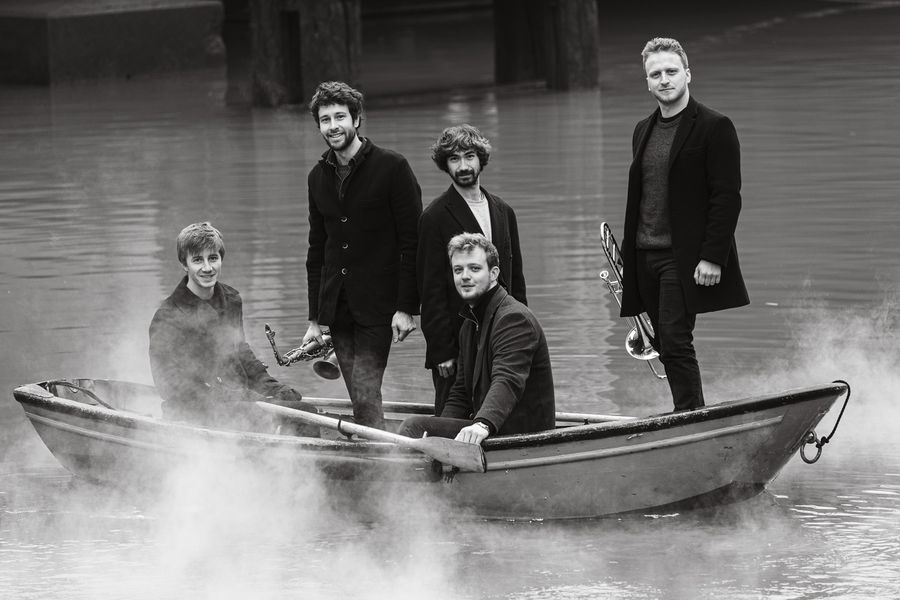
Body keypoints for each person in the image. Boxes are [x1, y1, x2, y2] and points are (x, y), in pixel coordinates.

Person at [620, 37, 749, 411]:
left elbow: (727, 196)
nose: (664, 79)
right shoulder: (642, 129)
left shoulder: (715, 126)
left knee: (676, 339)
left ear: (688, 74)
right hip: (644, 255)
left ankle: (691, 417)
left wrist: (713, 256)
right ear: (647, 82)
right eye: (655, 74)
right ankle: (687, 414)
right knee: (663, 342)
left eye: (671, 71)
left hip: (683, 257)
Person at [302, 81, 422, 430]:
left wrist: (406, 307)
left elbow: (413, 242)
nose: (333, 126)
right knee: (360, 394)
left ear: (356, 119)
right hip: (337, 308)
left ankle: (375, 453)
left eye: (340, 117)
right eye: (325, 119)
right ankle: (376, 445)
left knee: (366, 390)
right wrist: (314, 319)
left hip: (379, 306)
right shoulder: (316, 177)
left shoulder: (393, 167)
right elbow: (317, 249)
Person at [149, 222, 318, 434]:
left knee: (301, 407)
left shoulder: (231, 300)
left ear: (221, 259)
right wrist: (243, 398)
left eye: (213, 258)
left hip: (237, 400)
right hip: (192, 411)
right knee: (287, 418)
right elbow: (168, 385)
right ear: (184, 264)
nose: (207, 268)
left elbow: (241, 353)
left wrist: (271, 387)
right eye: (197, 260)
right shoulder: (168, 316)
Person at [399, 233, 554, 444]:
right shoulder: (470, 323)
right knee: (425, 430)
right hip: (494, 427)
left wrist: (483, 424)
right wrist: (440, 435)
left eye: (474, 268)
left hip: (523, 434)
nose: (465, 276)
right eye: (458, 270)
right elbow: (461, 393)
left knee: (413, 426)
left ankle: (398, 467)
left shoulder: (514, 319)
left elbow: (507, 380)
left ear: (494, 273)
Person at [418, 124, 527, 416]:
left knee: (504, 412)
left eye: (469, 156)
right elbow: (430, 289)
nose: (463, 166)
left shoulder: (504, 211)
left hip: (501, 335)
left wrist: (522, 331)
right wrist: (441, 350)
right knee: (451, 416)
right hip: (456, 342)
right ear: (445, 165)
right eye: (454, 159)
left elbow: (515, 279)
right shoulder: (434, 216)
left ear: (481, 159)